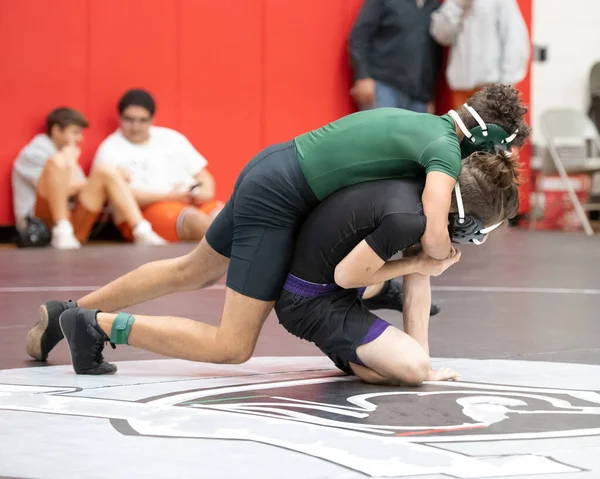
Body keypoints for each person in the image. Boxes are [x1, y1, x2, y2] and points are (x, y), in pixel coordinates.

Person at [25, 84, 529, 374]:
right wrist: (432, 259)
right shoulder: (442, 151)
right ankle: (97, 325)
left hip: (273, 168)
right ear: (486, 135)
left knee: (192, 269)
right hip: (281, 197)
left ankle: (67, 313)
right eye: (503, 148)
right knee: (232, 344)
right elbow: (435, 230)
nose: (499, 159)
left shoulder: (427, 126)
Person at [276, 151, 521, 385]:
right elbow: (346, 276)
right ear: (467, 222)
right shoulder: (408, 219)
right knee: (411, 370)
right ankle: (342, 346)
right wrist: (418, 367)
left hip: (320, 271)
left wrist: (426, 363)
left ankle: (377, 292)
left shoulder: (426, 189)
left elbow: (418, 274)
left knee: (418, 363)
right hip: (308, 300)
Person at [12, 107, 166, 250]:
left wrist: (113, 177)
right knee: (57, 162)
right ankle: (62, 228)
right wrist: (70, 162)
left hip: (71, 231)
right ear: (56, 130)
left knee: (105, 171)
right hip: (40, 227)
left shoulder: (68, 152)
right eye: (75, 132)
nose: (80, 138)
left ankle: (141, 230)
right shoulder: (34, 154)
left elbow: (76, 190)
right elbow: (62, 191)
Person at [92, 89, 221, 243]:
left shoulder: (172, 137)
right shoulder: (110, 149)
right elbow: (120, 196)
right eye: (129, 119)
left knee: (233, 220)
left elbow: (203, 174)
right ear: (119, 118)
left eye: (142, 120)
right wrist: (169, 197)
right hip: (147, 211)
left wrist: (205, 192)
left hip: (193, 201)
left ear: (152, 119)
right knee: (199, 223)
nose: (135, 126)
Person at [430, 0, 530, 110]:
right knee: (463, 127)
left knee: (491, 127)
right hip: (461, 88)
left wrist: (506, 85)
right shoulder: (454, 2)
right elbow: (441, 36)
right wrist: (457, 7)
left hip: (492, 88)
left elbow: (515, 39)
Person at [349, 0, 442, 112]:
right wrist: (362, 77)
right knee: (380, 129)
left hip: (418, 98)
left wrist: (429, 96)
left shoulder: (435, 6)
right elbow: (359, 36)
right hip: (382, 87)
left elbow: (433, 54)